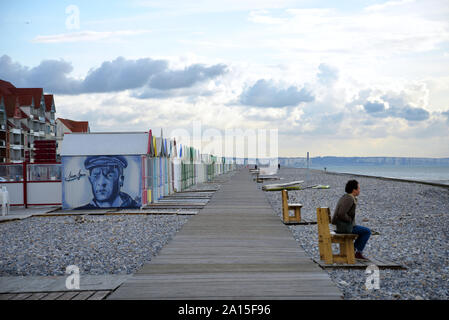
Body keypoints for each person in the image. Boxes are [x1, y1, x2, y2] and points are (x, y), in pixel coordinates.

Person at [331, 179, 371, 261]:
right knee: (367, 231)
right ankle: (356, 252)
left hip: (343, 226)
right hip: (344, 227)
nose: (359, 190)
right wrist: (349, 220)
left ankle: (354, 250)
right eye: (358, 188)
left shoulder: (346, 197)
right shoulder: (349, 198)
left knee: (363, 231)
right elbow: (341, 213)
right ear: (354, 190)